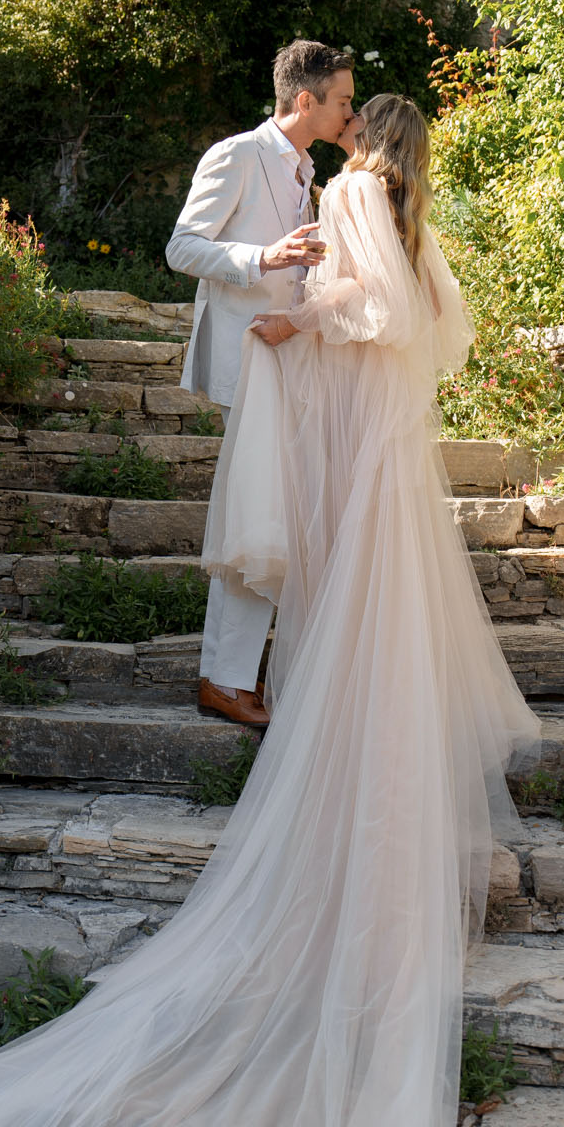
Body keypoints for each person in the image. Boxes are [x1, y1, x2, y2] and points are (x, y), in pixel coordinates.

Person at [0, 94, 538, 1127]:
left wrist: (291, 315)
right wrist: (309, 308)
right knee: (368, 646)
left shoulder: (352, 194)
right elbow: (428, 331)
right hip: (387, 455)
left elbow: (356, 315)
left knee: (337, 632)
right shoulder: (416, 221)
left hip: (349, 443)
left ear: (356, 134)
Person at [165, 39, 354, 731]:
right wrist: (261, 257)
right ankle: (224, 679)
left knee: (267, 522)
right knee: (256, 522)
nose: (347, 112)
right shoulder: (237, 154)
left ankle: (235, 674)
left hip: (287, 363)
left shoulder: (307, 170)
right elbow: (182, 246)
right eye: (340, 101)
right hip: (246, 363)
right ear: (304, 100)